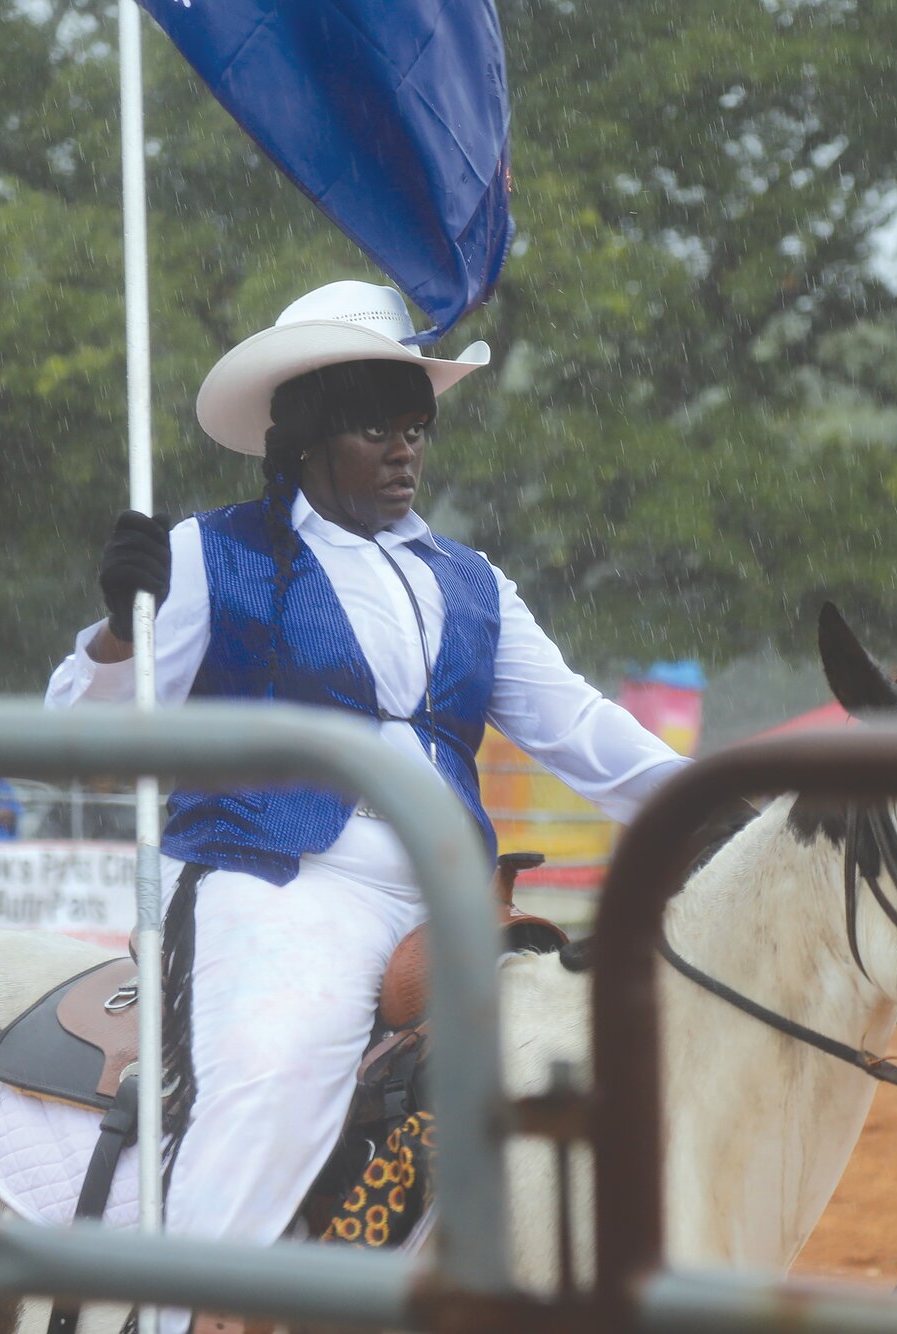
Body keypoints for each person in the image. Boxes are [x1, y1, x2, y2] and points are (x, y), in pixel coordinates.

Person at [47, 280, 689, 1333]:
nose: (404, 451)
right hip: (278, 877)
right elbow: (75, 726)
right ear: (303, 437)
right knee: (277, 1072)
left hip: (453, 891)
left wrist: (712, 799)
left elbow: (576, 724)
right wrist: (119, 632)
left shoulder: (471, 578)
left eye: (415, 428)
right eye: (374, 428)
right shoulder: (211, 553)